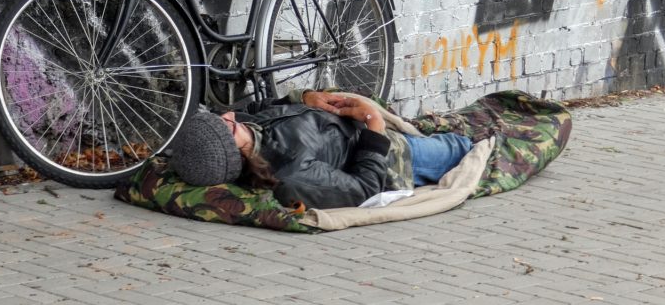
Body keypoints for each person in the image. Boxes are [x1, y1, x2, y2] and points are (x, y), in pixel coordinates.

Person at [168, 91, 474, 210]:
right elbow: (364, 189)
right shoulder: (291, 173)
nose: (231, 115)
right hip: (394, 155)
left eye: (223, 117)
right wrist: (375, 127)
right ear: (233, 154)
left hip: (351, 121)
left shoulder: (247, 129)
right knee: (464, 145)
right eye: (227, 125)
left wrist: (304, 96)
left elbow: (258, 107)